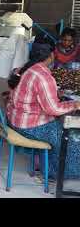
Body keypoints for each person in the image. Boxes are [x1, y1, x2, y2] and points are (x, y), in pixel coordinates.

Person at [6, 44, 80, 180]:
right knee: (70, 137)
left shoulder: (25, 69)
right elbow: (53, 109)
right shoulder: (43, 76)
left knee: (58, 125)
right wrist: (75, 104)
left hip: (14, 120)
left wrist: (55, 93)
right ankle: (56, 172)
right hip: (28, 127)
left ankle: (45, 162)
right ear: (51, 55)